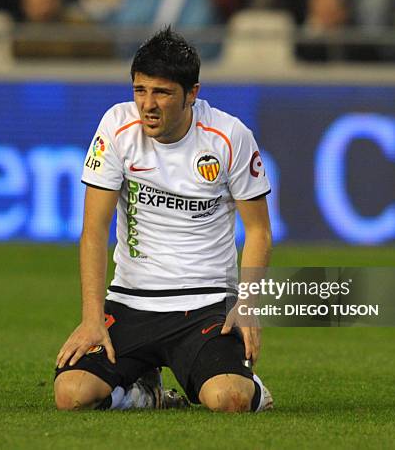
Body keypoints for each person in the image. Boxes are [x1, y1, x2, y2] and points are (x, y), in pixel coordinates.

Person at [54, 27, 273, 412]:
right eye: (140, 90)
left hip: (205, 307)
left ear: (192, 93)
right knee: (71, 394)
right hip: (130, 303)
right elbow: (93, 231)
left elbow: (258, 230)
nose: (147, 105)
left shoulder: (228, 136)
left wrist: (248, 303)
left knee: (229, 399)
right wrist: (92, 318)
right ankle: (146, 392)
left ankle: (252, 386)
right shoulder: (116, 128)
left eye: (162, 92)